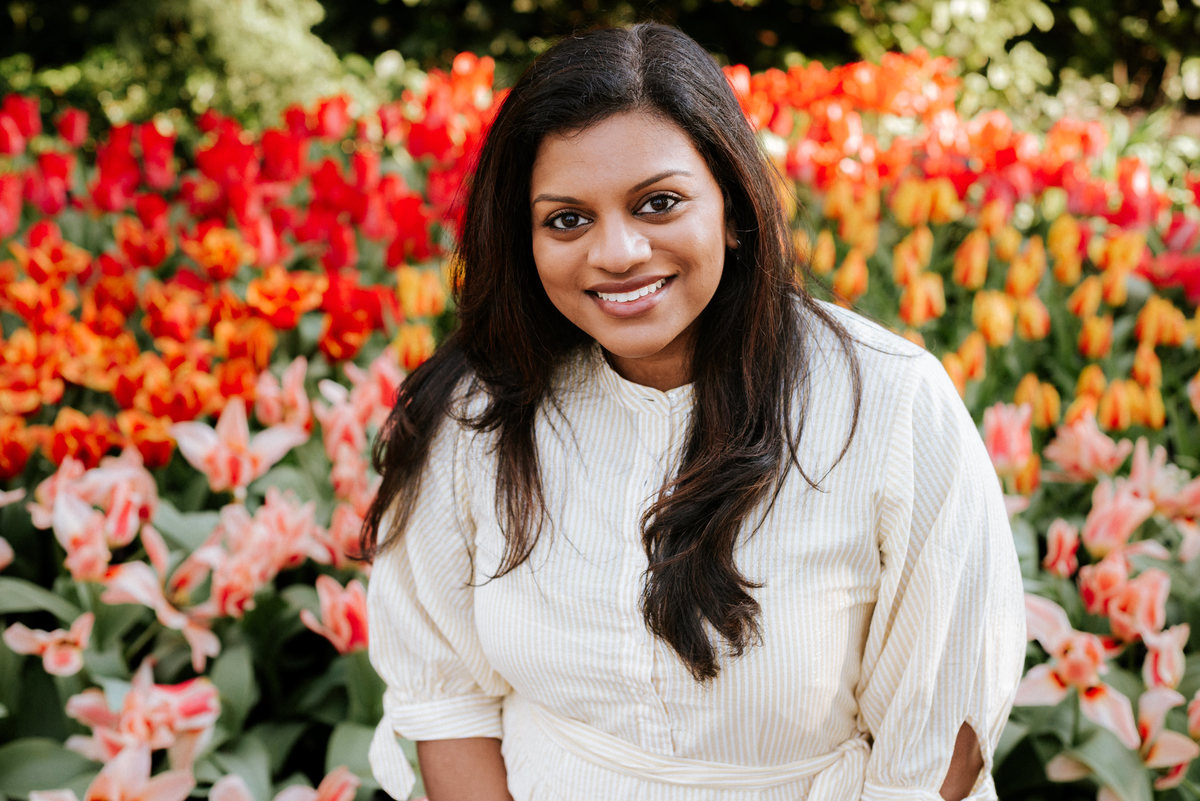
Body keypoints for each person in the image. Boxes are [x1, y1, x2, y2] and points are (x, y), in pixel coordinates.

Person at [362, 22, 1025, 801]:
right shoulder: (479, 411)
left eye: (659, 203)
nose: (617, 252)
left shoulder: (889, 406)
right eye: (567, 218)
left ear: (734, 209)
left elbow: (939, 744)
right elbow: (448, 700)